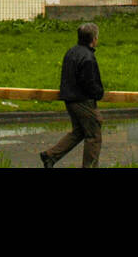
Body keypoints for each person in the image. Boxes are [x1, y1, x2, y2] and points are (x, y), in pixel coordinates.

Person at [40, 23, 105, 168]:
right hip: (82, 100)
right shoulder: (88, 57)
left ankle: (50, 156)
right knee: (94, 135)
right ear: (94, 39)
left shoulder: (71, 52)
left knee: (79, 131)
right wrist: (99, 93)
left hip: (69, 99)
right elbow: (89, 83)